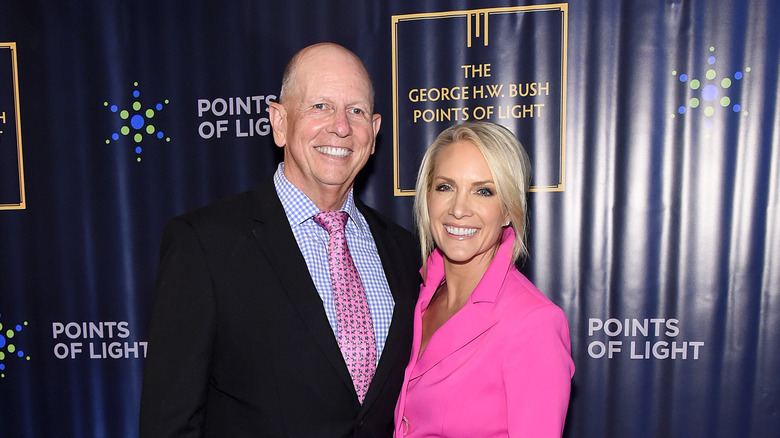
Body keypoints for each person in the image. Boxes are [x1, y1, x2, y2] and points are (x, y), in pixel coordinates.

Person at [139, 42, 420, 437]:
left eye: (355, 111)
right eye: (320, 106)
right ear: (280, 121)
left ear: (373, 133)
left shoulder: (405, 252)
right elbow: (169, 424)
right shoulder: (204, 245)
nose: (340, 126)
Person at [393, 122, 574, 437]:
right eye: (445, 187)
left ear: (508, 209)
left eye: (483, 191)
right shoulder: (416, 295)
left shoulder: (533, 323)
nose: (459, 209)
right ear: (427, 197)